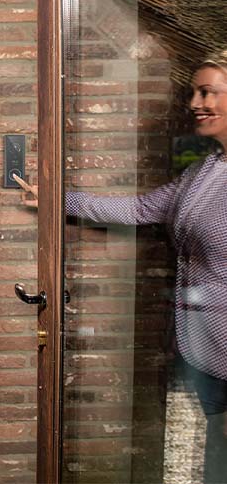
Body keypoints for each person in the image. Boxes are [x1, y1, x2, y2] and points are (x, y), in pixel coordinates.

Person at [16, 56, 227, 483]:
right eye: (194, 92)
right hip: (203, 351)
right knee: (216, 461)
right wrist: (57, 199)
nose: (195, 103)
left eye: (208, 92)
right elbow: (141, 209)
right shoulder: (208, 168)